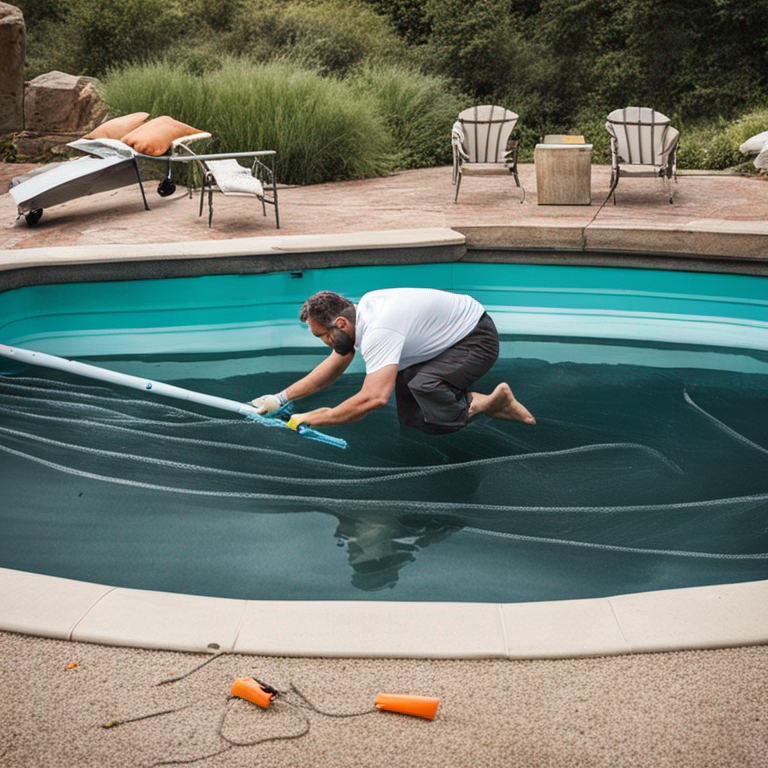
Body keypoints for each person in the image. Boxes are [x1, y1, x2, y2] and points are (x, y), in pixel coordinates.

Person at [250, 288, 535, 434]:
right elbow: (335, 365)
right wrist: (281, 397)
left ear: (339, 323)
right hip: (448, 340)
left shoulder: (379, 330)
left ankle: (488, 403)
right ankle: (476, 402)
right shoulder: (360, 315)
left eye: (322, 336)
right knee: (413, 417)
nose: (324, 342)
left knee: (423, 385)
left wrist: (316, 418)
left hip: (476, 338)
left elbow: (373, 399)